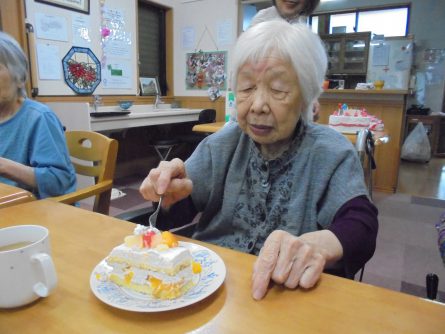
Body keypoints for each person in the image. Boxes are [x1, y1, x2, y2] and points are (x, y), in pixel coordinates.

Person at [140, 21, 378, 301]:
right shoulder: (223, 143)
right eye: (247, 88)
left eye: (278, 89)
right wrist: (167, 196)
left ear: (306, 97)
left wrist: (321, 245)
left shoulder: (329, 151)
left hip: (289, 293)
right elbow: (179, 212)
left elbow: (361, 226)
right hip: (213, 288)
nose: (257, 105)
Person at [0, 31, 76, 199]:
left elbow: (59, 182)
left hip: (38, 211)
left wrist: (4, 166)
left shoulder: (39, 117)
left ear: (19, 78)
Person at [250, 0, 322, 121]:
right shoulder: (263, 20)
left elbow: (304, 74)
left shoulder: (302, 27)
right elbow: (252, 71)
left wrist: (311, 99)